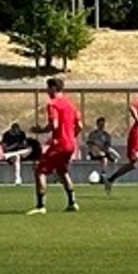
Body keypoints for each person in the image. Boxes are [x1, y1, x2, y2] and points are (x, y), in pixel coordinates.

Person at [29, 76, 81, 215]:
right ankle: (72, 202)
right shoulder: (71, 104)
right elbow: (80, 126)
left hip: (60, 144)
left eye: (47, 88)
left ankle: (40, 206)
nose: (46, 91)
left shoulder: (53, 104)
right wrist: (70, 137)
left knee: (40, 171)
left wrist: (39, 130)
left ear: (53, 88)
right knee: (62, 171)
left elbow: (54, 125)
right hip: (70, 144)